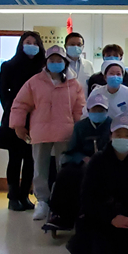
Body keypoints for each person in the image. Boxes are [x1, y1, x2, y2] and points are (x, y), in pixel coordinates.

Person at [9, 45, 86, 221]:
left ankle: (61, 201)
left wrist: (79, 129)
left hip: (65, 132)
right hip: (40, 131)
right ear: (46, 62)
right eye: (52, 60)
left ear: (65, 63)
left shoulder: (73, 84)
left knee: (64, 169)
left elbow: (79, 108)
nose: (56, 63)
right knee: (40, 169)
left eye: (59, 61)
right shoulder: (34, 82)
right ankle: (42, 202)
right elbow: (20, 104)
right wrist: (18, 125)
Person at [67, 114, 128, 254]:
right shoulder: (98, 161)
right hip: (100, 218)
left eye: (127, 135)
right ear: (110, 136)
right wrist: (111, 217)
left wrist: (127, 216)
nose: (123, 139)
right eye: (118, 134)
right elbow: (87, 199)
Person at [43, 92, 113, 232]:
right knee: (66, 175)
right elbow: (70, 152)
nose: (98, 112)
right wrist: (82, 158)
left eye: (101, 110)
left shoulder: (112, 126)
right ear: (88, 110)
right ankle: (61, 215)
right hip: (83, 164)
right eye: (95, 109)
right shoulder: (80, 127)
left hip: (106, 163)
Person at [0, 31, 46, 211]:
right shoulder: (9, 66)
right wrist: (15, 111)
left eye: (35, 43)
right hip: (14, 118)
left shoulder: (43, 68)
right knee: (15, 158)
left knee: (31, 159)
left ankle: (25, 194)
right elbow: (3, 92)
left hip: (36, 118)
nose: (31, 46)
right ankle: (13, 196)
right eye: (28, 42)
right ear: (21, 45)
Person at [64, 32, 94, 98]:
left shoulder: (88, 65)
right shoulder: (59, 65)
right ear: (65, 46)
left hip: (84, 101)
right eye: (72, 44)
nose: (76, 47)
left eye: (79, 45)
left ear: (83, 47)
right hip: (64, 101)